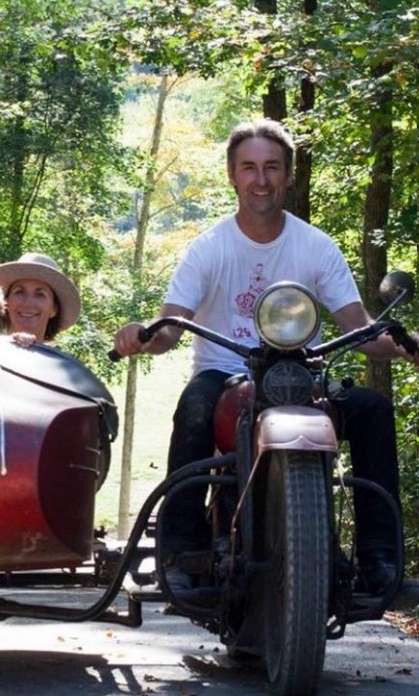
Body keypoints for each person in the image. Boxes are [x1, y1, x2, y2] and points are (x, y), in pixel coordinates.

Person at [112, 118, 419, 599]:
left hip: (304, 376)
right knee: (194, 403)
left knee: (372, 410)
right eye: (249, 168)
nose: (261, 180)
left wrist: (408, 343)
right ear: (233, 176)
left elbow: (360, 331)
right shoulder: (209, 248)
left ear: (289, 175)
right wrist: (142, 335)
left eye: (271, 167)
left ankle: (379, 560)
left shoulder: (316, 246)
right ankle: (181, 552)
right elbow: (170, 328)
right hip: (226, 374)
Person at [0, 252, 81, 343]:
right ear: (6, 302)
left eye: (40, 295)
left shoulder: (61, 360)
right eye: (19, 292)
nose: (28, 303)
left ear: (54, 309)